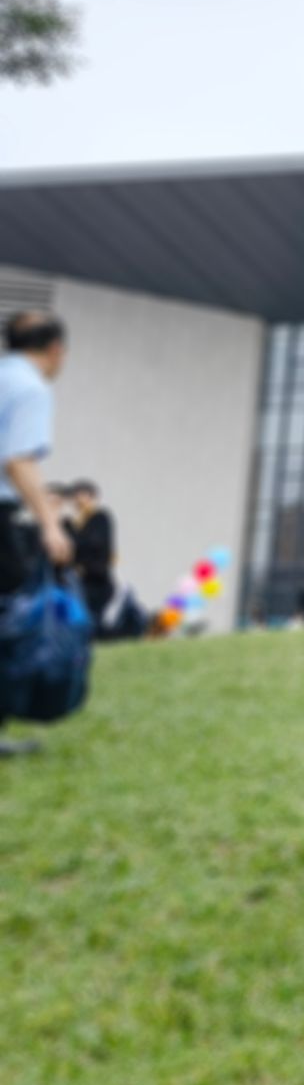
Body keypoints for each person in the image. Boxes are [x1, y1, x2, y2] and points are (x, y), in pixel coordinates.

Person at [1, 312, 72, 757]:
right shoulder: (31, 388)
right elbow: (18, 461)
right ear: (55, 350)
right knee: (12, 615)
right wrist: (49, 522)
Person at [62, 480, 124, 640]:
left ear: (92, 497)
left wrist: (74, 541)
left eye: (81, 495)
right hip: (79, 578)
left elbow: (93, 543)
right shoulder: (72, 522)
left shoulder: (100, 518)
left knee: (96, 616)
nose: (77, 500)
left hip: (97, 578)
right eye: (75, 496)